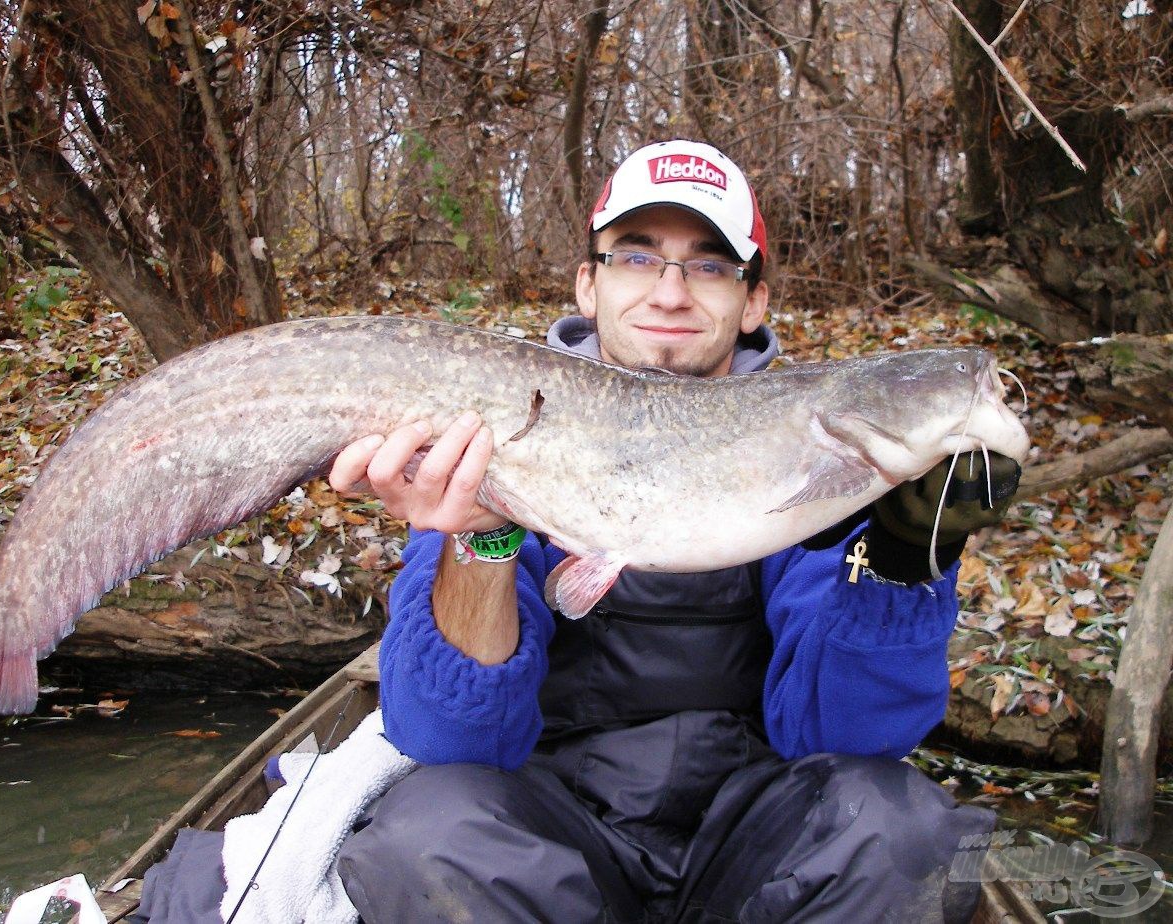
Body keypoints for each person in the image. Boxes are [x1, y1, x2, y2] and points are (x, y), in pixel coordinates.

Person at [328, 140, 1021, 923]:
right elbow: (447, 738)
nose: (670, 292)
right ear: (588, 283)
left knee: (904, 830)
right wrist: (484, 536)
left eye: (710, 265)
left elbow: (850, 740)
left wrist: (899, 562)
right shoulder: (495, 420)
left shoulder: (821, 447)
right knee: (424, 836)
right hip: (557, 836)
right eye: (636, 257)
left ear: (753, 300)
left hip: (756, 835)